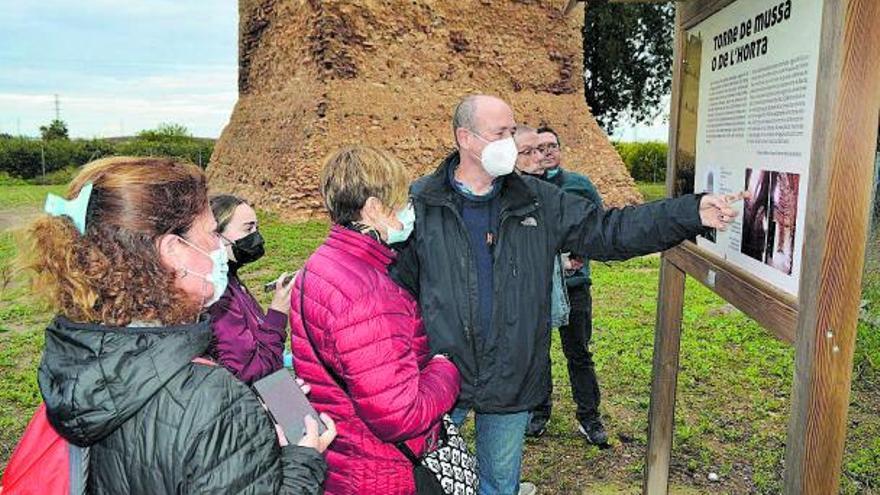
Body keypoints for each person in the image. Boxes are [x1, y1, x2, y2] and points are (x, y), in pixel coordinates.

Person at [390, 94, 743, 495]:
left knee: (498, 487)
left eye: (512, 130)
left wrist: (690, 213)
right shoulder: (422, 202)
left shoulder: (538, 201)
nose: (511, 142)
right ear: (465, 139)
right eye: (500, 133)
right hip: (440, 378)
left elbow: (610, 231)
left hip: (512, 375)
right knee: (424, 483)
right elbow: (392, 284)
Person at [25, 156, 336, 494]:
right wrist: (302, 460)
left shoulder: (77, 352)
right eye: (214, 233)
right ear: (173, 250)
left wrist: (242, 424)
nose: (221, 247)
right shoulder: (211, 397)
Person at [290, 146, 461, 495]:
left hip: (345, 456)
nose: (410, 211)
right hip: (378, 471)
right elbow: (399, 416)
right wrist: (446, 369)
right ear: (373, 209)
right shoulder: (369, 293)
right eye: (402, 202)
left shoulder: (322, 264)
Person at [524, 126, 608, 444]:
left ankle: (589, 418)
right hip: (536, 287)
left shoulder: (579, 185)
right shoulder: (523, 186)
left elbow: (598, 225)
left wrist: (581, 254)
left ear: (560, 149)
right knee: (537, 353)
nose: (546, 152)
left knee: (579, 353)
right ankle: (538, 413)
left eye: (552, 146)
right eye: (539, 147)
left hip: (574, 285)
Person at [208, 194, 292, 384]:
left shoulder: (229, 278)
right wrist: (278, 314)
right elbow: (252, 372)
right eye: (248, 228)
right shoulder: (217, 295)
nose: (256, 236)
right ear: (216, 235)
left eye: (257, 228)